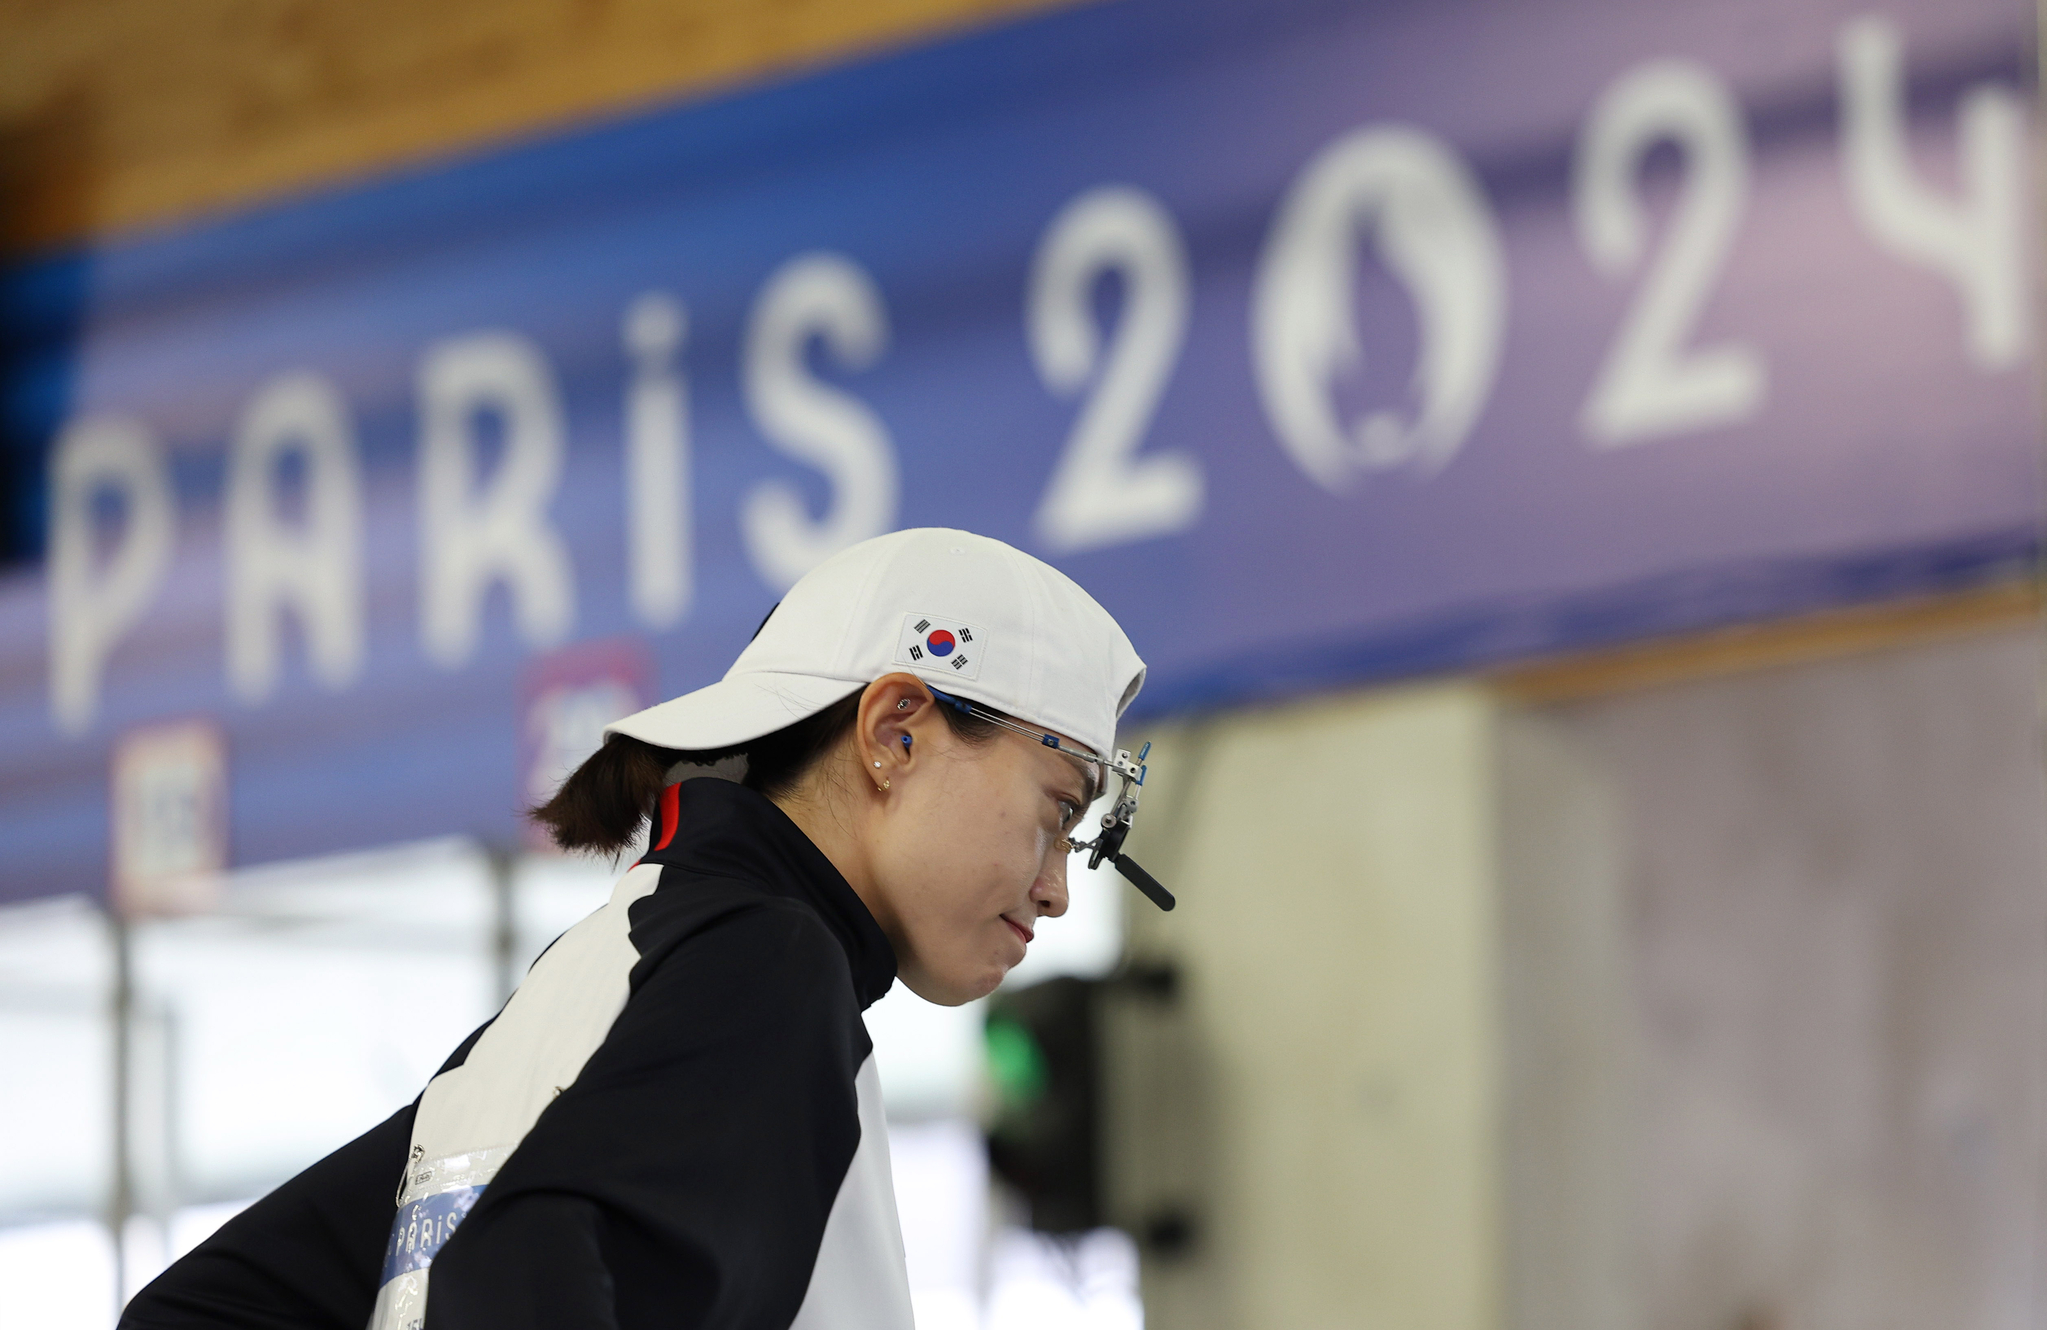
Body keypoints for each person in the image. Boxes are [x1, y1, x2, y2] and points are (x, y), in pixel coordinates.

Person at [121, 527, 1156, 1330]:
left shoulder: (588, 982)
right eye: (1059, 810)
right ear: (894, 733)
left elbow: (198, 1314)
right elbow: (513, 1267)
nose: (1059, 886)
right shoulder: (768, 969)